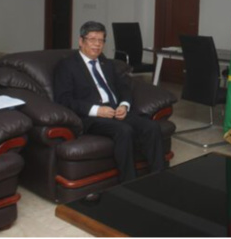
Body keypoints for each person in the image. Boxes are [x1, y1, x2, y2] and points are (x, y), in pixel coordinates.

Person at [54, 21, 165, 183]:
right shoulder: (67, 65)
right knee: (124, 130)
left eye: (101, 40)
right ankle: (129, 184)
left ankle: (160, 178)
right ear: (81, 41)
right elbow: (63, 99)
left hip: (115, 110)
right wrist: (97, 110)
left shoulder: (106, 63)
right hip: (90, 116)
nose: (97, 44)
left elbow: (124, 87)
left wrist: (124, 105)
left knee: (152, 127)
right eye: (92, 39)